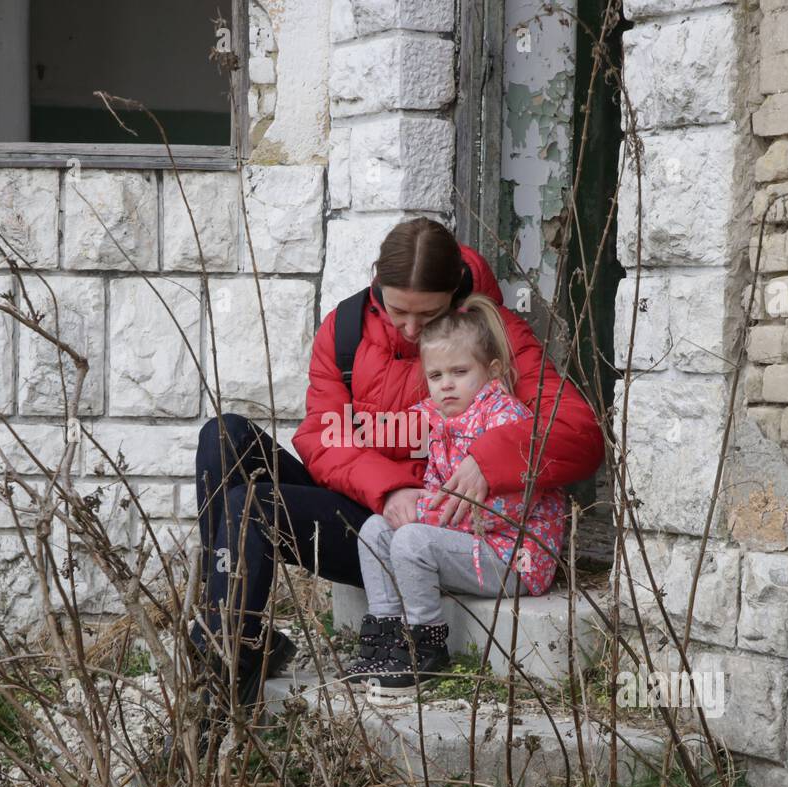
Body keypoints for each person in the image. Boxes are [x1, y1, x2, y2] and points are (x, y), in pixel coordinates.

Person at [192, 217, 603, 708]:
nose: (409, 329)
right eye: (398, 311)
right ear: (377, 284)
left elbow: (578, 433)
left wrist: (488, 460)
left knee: (251, 506)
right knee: (224, 437)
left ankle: (224, 665)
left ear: (452, 296)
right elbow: (322, 437)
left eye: (426, 316)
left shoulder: (491, 335)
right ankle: (233, 638)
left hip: (425, 532)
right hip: (363, 509)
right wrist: (387, 489)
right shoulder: (345, 329)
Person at [342, 293, 568, 693]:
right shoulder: (440, 418)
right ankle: (386, 637)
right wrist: (353, 433)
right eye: (436, 376)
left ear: (491, 371)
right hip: (468, 545)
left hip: (513, 555)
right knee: (375, 528)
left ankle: (426, 645)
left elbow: (498, 513)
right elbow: (379, 432)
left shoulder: (507, 419)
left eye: (459, 372)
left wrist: (422, 512)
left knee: (411, 537)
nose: (446, 385)